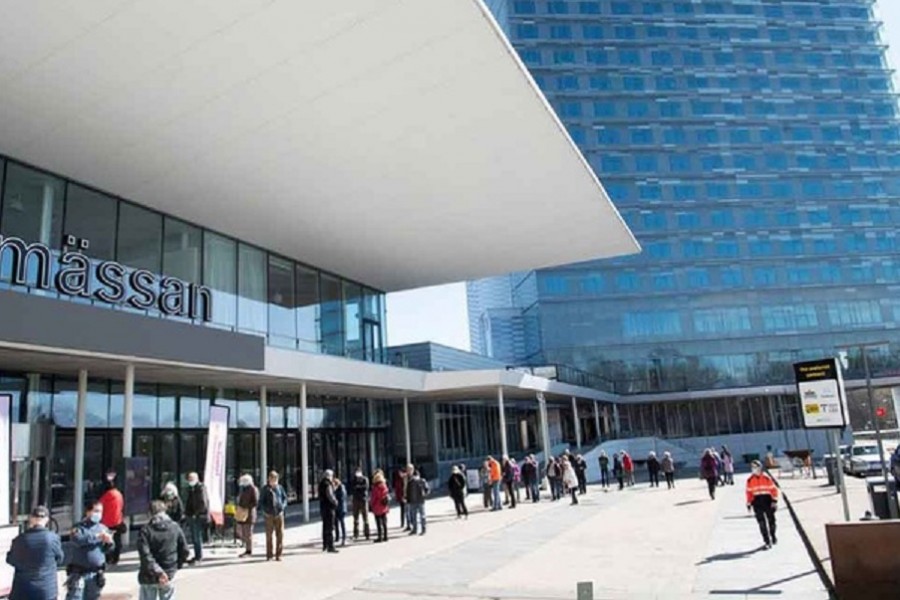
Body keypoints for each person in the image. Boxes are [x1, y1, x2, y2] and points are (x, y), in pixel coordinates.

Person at [6, 505, 63, 600]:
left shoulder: (20, 539)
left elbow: (11, 560)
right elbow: (60, 559)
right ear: (47, 520)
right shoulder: (53, 538)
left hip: (23, 590)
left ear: (31, 519)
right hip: (46, 589)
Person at [137, 500, 188, 600]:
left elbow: (145, 555)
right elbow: (185, 550)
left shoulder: (145, 531)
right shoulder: (175, 527)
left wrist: (158, 571)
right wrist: (174, 568)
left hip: (149, 575)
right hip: (168, 572)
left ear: (150, 513)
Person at [65, 501, 114, 600]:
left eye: (100, 511)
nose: (98, 514)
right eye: (96, 511)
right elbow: (78, 540)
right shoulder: (78, 527)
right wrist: (97, 536)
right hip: (79, 573)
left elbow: (108, 550)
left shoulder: (103, 528)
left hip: (96, 574)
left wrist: (109, 542)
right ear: (88, 512)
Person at [745, 460, 779, 549]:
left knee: (771, 521)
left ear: (760, 468)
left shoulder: (766, 478)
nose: (754, 469)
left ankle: (773, 535)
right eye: (752, 467)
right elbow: (749, 493)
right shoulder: (750, 480)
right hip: (757, 502)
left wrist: (774, 501)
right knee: (761, 523)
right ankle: (767, 541)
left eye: (755, 467)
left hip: (767, 501)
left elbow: (774, 490)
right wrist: (749, 503)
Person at [98, 471, 124, 566]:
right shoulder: (119, 494)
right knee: (117, 541)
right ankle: (116, 558)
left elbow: (99, 505)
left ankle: (108, 558)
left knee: (107, 541)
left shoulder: (107, 495)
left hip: (107, 522)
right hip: (117, 521)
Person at [260, 471, 287, 561]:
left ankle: (279, 555)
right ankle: (269, 555)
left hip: (279, 514)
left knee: (280, 535)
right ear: (269, 479)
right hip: (269, 515)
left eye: (275, 479)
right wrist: (265, 511)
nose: (274, 481)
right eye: (272, 479)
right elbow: (261, 502)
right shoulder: (265, 489)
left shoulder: (280, 488)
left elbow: (284, 498)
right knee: (269, 536)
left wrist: (283, 507)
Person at [183, 472, 209, 564]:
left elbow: (203, 503)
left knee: (197, 537)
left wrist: (196, 513)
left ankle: (199, 557)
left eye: (191, 479)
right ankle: (196, 555)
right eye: (188, 479)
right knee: (194, 537)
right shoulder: (192, 488)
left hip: (198, 516)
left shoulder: (200, 488)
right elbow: (189, 502)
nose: (189, 481)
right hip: (192, 515)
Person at [235, 474, 258, 557]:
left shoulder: (253, 489)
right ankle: (246, 547)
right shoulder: (244, 489)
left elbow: (255, 502)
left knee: (248, 533)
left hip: (249, 513)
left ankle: (249, 550)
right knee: (241, 531)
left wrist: (246, 506)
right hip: (242, 512)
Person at [319, 470, 339, 553]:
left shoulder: (321, 484)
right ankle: (331, 546)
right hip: (329, 508)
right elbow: (330, 495)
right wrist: (335, 502)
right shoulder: (327, 484)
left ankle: (325, 544)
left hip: (323, 507)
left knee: (325, 526)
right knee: (330, 527)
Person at [350, 467, 371, 541]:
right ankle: (356, 534)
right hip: (356, 500)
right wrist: (358, 487)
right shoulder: (354, 480)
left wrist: (358, 487)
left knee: (365, 518)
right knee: (355, 518)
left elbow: (366, 487)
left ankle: (367, 534)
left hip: (363, 500)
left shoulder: (365, 479)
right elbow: (352, 488)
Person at [406, 470, 430, 535]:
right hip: (417, 501)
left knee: (418, 516)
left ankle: (419, 529)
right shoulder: (414, 482)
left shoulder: (420, 481)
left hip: (417, 501)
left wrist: (408, 500)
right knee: (418, 516)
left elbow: (427, 489)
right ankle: (419, 529)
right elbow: (408, 492)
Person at [370, 470, 391, 543]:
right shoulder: (384, 486)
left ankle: (380, 537)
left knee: (378, 523)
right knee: (384, 522)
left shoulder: (375, 488)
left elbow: (374, 498)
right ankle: (386, 536)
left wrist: (371, 505)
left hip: (377, 506)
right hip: (384, 506)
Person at [392, 465, 408, 531]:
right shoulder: (398, 480)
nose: (400, 474)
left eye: (401, 472)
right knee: (403, 510)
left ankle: (408, 523)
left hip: (407, 496)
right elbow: (397, 490)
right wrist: (398, 498)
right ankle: (403, 523)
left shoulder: (406, 479)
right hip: (401, 497)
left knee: (408, 510)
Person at [333, 477, 348, 547]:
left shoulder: (341, 488)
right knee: (336, 523)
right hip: (336, 509)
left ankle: (344, 537)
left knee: (342, 523)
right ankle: (337, 537)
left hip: (341, 508)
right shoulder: (335, 489)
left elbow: (341, 498)